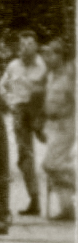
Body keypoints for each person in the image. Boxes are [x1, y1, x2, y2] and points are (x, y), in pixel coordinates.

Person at [0, 30, 48, 216]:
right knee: (25, 155)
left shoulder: (43, 66)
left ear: (36, 46)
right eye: (22, 44)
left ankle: (66, 200)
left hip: (39, 112)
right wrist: (10, 101)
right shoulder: (13, 66)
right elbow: (2, 86)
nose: (25, 48)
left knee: (56, 153)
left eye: (29, 44)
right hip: (20, 110)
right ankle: (34, 200)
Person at [42, 38, 74, 222]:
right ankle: (67, 208)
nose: (47, 57)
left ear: (60, 55)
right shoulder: (51, 75)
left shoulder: (70, 76)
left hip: (66, 124)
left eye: (51, 53)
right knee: (55, 166)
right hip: (53, 125)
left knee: (51, 164)